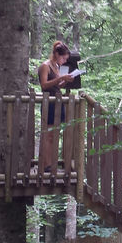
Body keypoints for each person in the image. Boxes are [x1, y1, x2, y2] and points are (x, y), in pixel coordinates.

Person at [38, 41, 73, 174]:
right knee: (47, 135)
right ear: (57, 54)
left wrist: (65, 80)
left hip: (58, 102)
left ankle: (51, 163)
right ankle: (45, 164)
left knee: (54, 134)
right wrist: (60, 79)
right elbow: (44, 85)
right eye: (63, 58)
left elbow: (57, 85)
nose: (64, 61)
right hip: (49, 103)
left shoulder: (56, 67)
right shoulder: (45, 66)